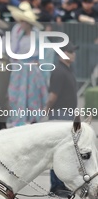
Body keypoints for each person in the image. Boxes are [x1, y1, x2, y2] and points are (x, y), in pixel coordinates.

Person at [45, 41, 78, 198]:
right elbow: (53, 96)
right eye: (71, 51)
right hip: (60, 115)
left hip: (67, 114)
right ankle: (57, 186)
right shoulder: (59, 71)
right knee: (59, 150)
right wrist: (46, 110)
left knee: (66, 151)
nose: (74, 54)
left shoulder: (66, 70)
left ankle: (62, 185)